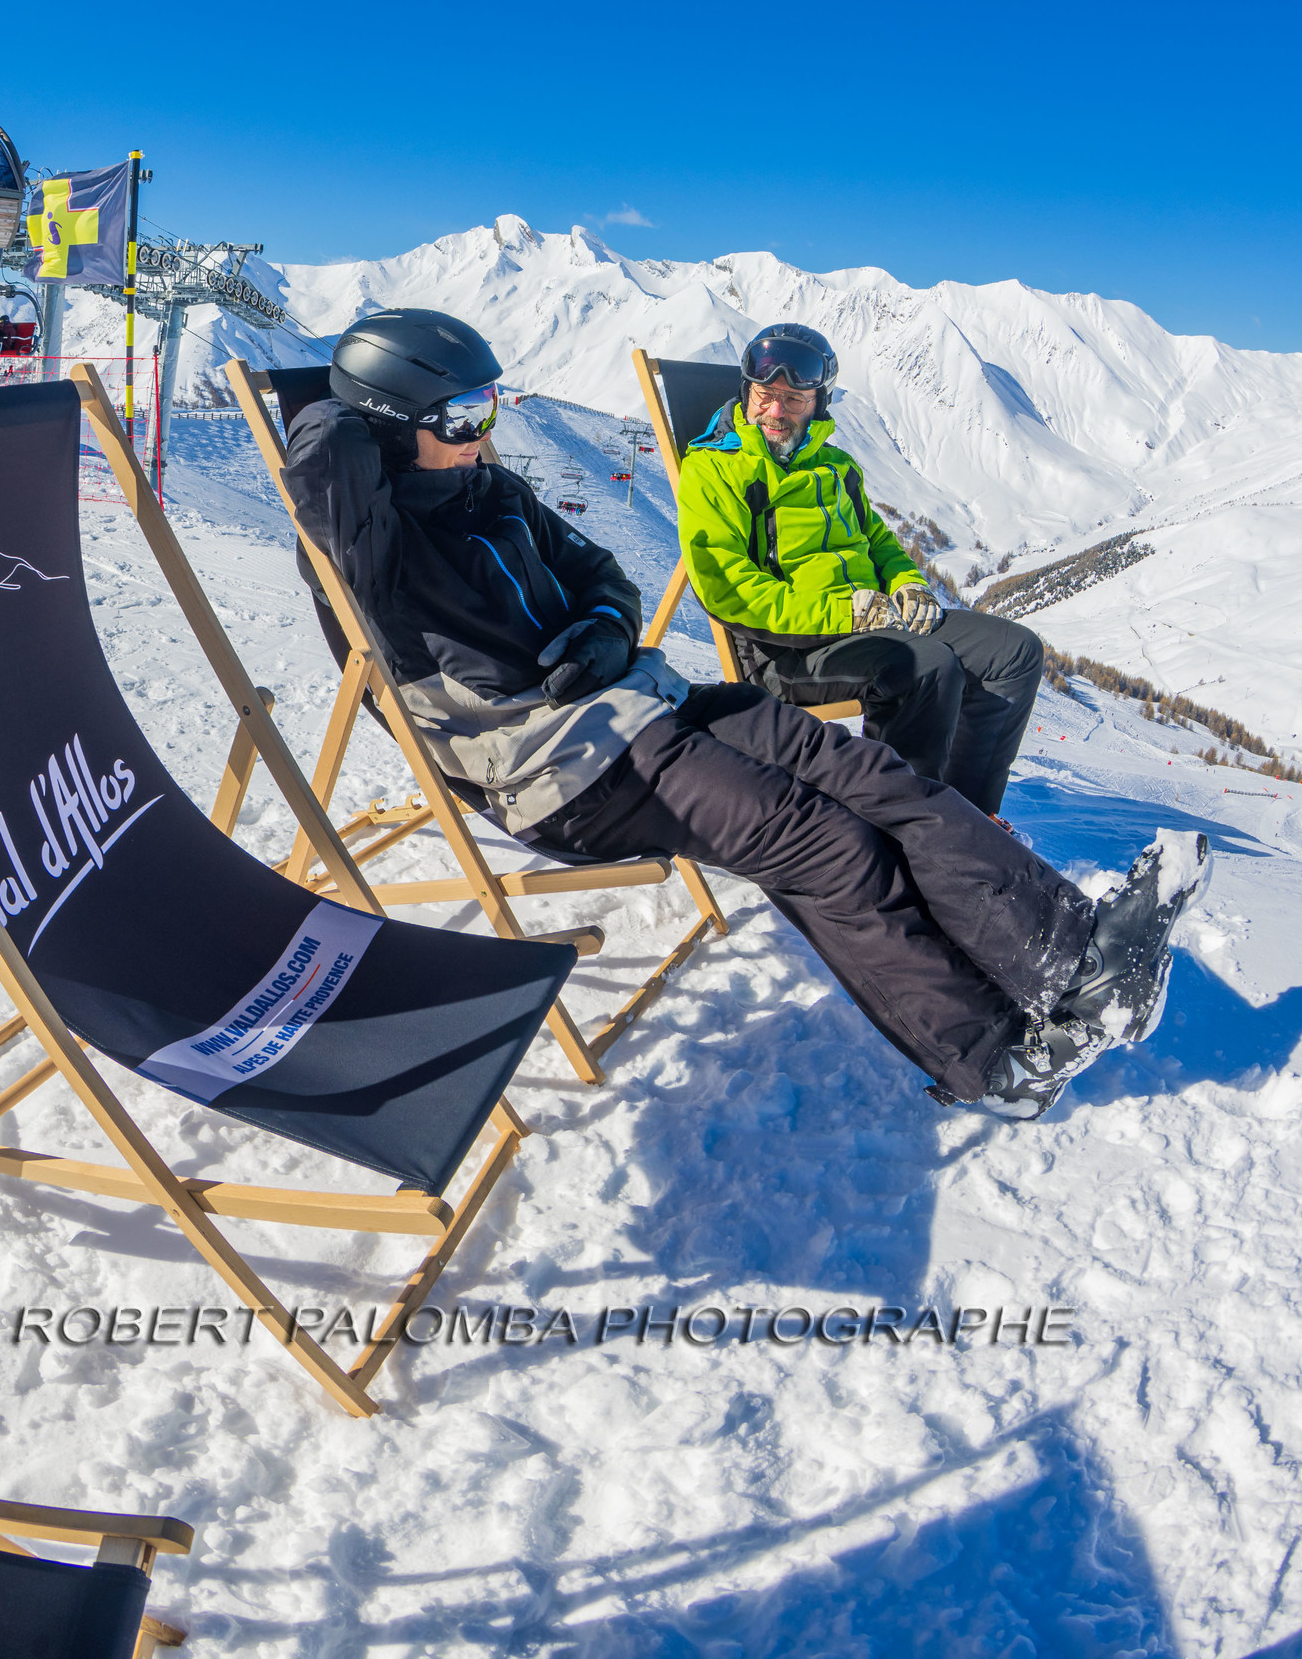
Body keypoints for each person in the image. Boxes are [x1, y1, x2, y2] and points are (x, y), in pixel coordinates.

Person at [280, 307, 1209, 1121]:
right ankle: (996, 1060)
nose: (484, 433)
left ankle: (1082, 961)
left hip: (638, 701)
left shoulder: (490, 485)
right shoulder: (368, 540)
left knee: (875, 776)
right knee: (829, 845)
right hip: (559, 770)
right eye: (462, 416)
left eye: (491, 408)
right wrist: (347, 410)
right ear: (392, 429)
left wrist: (606, 630)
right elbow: (324, 458)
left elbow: (605, 575)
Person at [676, 322, 1042, 818]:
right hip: (788, 648)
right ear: (747, 392)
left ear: (819, 403)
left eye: (794, 399)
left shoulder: (837, 467)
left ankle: (968, 819)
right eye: (764, 395)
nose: (775, 411)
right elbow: (729, 592)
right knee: (926, 666)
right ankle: (906, 827)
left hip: (872, 621)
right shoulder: (714, 470)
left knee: (1014, 652)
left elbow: (878, 542)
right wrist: (845, 613)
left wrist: (907, 582)